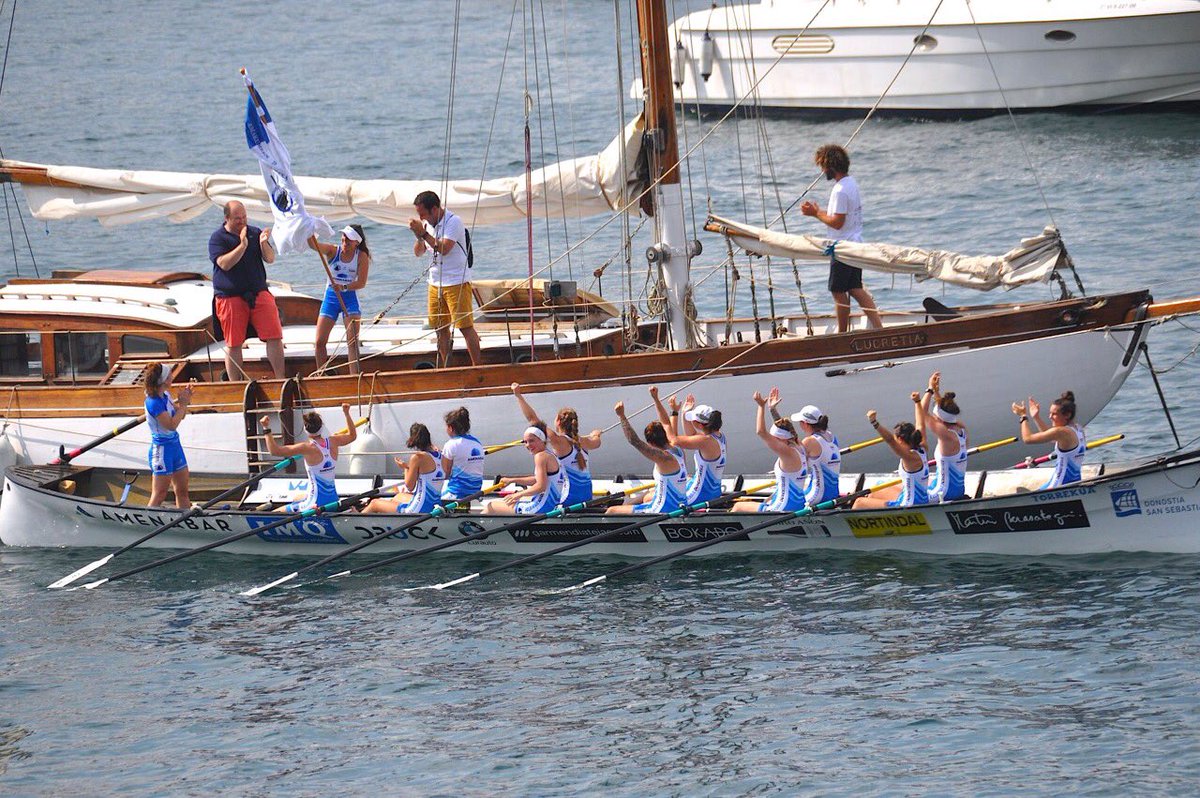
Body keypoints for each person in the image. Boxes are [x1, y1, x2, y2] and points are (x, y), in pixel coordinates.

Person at [799, 144, 883, 333]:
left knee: (838, 291)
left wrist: (814, 213)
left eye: (822, 166)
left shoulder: (839, 190)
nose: (822, 171)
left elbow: (837, 223)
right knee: (855, 288)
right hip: (855, 243)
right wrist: (819, 211)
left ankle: (842, 333)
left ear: (830, 166)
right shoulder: (851, 183)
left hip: (843, 247)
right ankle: (879, 327)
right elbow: (841, 218)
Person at [207, 200, 285, 380]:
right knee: (234, 343)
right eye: (237, 218)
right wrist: (242, 245)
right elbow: (224, 264)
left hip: (257, 292)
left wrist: (264, 243)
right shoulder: (218, 238)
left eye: (244, 217)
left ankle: (280, 378)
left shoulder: (254, 232)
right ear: (227, 218)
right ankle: (236, 384)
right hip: (230, 296)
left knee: (274, 335)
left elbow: (270, 258)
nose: (242, 221)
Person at [409, 190, 482, 367]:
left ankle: (479, 367)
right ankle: (446, 367)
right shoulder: (427, 225)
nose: (422, 218)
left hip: (456, 281)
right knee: (440, 329)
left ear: (435, 209)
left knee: (465, 327)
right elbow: (418, 252)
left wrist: (424, 234)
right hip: (435, 283)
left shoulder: (453, 221)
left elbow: (444, 248)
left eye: (423, 214)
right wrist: (419, 234)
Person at [512, 382, 602, 506]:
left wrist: (518, 396)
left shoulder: (558, 441)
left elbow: (533, 420)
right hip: (587, 497)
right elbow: (597, 442)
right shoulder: (585, 441)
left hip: (567, 500)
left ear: (558, 422)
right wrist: (596, 434)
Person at [259, 404, 358, 513]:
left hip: (315, 504)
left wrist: (266, 428)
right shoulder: (334, 441)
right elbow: (352, 435)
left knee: (276, 513)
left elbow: (275, 451)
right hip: (333, 500)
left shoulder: (306, 448)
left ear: (306, 430)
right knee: (297, 497)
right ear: (322, 427)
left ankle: (268, 512)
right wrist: (346, 414)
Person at [607, 401, 689, 515]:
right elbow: (666, 423)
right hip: (680, 505)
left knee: (611, 511)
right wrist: (657, 400)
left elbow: (634, 441)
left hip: (661, 510)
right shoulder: (679, 450)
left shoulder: (664, 458)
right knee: (639, 498)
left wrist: (621, 416)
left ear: (651, 443)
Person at [309, 224, 371, 375]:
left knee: (352, 342)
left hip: (349, 297)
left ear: (356, 241)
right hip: (331, 298)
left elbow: (361, 283)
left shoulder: (361, 256)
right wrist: (309, 229)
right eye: (344, 236)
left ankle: (354, 378)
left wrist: (343, 287)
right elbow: (313, 245)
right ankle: (321, 376)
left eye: (349, 238)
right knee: (319, 342)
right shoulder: (332, 251)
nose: (345, 240)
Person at [732, 392, 807, 513]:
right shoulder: (800, 446)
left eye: (774, 438)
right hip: (799, 504)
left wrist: (761, 406)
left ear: (781, 439)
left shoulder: (786, 452)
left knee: (738, 507)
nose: (772, 440)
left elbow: (761, 432)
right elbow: (786, 428)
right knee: (765, 501)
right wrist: (772, 410)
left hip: (783, 508)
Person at [649, 388, 727, 504]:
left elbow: (673, 440)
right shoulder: (718, 436)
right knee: (652, 491)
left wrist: (672, 411)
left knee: (649, 496)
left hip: (699, 495)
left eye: (692, 420)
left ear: (699, 424)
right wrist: (685, 413)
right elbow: (691, 435)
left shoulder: (704, 440)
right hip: (713, 491)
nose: (691, 422)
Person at [766, 388, 841, 507]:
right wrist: (773, 410)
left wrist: (772, 410)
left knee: (772, 501)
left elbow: (788, 438)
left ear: (805, 423)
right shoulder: (832, 437)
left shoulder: (809, 442)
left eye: (800, 422)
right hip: (833, 493)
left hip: (816, 496)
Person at [483, 423, 568, 515]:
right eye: (525, 442)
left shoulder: (540, 456)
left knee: (490, 506)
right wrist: (511, 480)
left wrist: (519, 494)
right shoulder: (551, 455)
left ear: (542, 440)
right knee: (508, 503)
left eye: (531, 441)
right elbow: (538, 480)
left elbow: (541, 486)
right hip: (550, 506)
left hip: (540, 508)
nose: (528, 445)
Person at [853, 408, 929, 509]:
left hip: (908, 505)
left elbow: (890, 440)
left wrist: (874, 422)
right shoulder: (923, 447)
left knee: (859, 502)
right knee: (876, 489)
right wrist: (917, 401)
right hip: (921, 499)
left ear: (900, 439)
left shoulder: (908, 457)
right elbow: (920, 423)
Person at [361, 423, 444, 514]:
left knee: (374, 503)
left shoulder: (417, 457)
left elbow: (410, 486)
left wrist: (405, 468)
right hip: (435, 505)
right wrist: (408, 467)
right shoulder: (441, 455)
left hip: (418, 509)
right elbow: (428, 473)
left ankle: (356, 520)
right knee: (398, 496)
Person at [1012, 390, 1086, 489]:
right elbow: (1051, 437)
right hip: (1074, 482)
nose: (1050, 417)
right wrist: (1036, 417)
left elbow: (1027, 439)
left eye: (1054, 414)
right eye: (1050, 413)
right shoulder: (1078, 429)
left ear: (1067, 415)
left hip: (1059, 485)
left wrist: (1023, 417)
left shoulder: (1062, 432)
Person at [144, 362, 192, 508]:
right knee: (160, 494)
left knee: (182, 491)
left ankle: (186, 521)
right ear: (164, 380)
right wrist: (183, 405)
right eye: (170, 374)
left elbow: (180, 416)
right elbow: (171, 425)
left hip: (175, 446)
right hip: (162, 450)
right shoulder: (153, 402)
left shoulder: (166, 395)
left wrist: (185, 400)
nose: (173, 376)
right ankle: (147, 522)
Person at [919, 371, 969, 502]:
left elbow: (921, 412)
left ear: (939, 418)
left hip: (942, 492)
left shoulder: (945, 434)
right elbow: (942, 410)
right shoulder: (961, 429)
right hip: (958, 489)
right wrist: (936, 392)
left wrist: (929, 389)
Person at [441, 406, 486, 501]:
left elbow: (445, 474)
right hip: (476, 491)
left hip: (457, 493)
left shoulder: (451, 444)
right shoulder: (477, 442)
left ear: (450, 428)